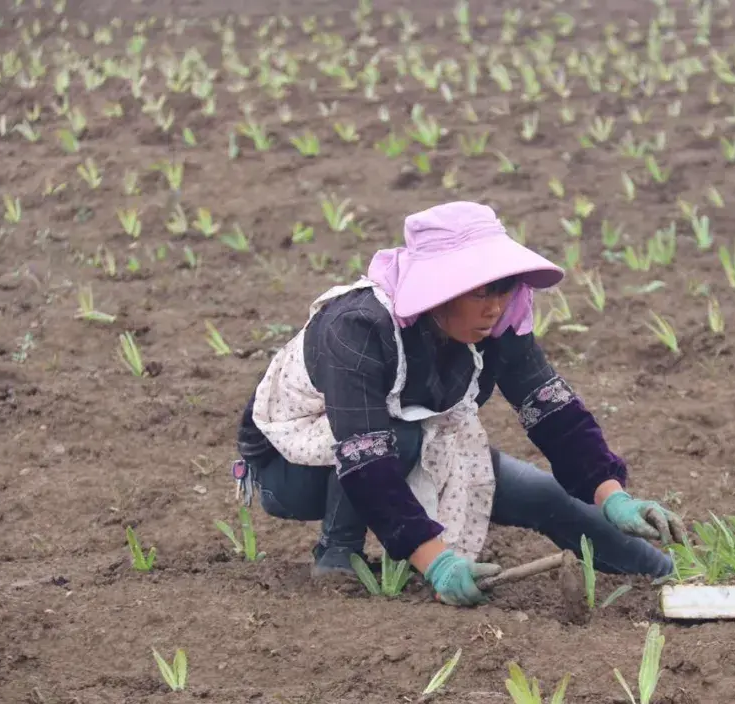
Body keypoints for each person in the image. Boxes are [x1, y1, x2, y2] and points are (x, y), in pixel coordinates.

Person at [229, 200, 687, 607]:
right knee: (398, 436)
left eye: (503, 288)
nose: (494, 306)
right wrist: (437, 563)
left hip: (414, 444)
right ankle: (337, 553)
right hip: (292, 473)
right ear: (439, 289)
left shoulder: (495, 324)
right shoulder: (357, 328)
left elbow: (552, 412)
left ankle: (665, 572)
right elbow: (364, 455)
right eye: (480, 290)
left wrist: (615, 496)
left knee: (542, 495)